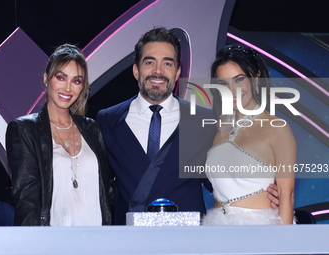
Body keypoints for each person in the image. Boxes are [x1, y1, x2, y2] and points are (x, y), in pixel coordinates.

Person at [97, 28, 279, 225]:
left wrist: (263, 193)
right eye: (149, 62)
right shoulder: (108, 120)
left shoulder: (205, 121)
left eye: (167, 63)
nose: (158, 71)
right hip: (129, 243)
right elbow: (97, 184)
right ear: (136, 70)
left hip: (189, 241)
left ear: (177, 73)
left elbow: (222, 181)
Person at [6, 44, 113, 226]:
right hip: (53, 243)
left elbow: (108, 192)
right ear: (47, 78)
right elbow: (27, 200)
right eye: (61, 78)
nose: (68, 88)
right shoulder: (24, 129)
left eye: (76, 81)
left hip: (97, 240)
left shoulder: (92, 129)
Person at [202, 45, 296, 225]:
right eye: (224, 83)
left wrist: (283, 246)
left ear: (255, 77)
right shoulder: (219, 127)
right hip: (216, 230)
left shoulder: (277, 128)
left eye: (239, 80)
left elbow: (287, 196)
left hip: (259, 231)